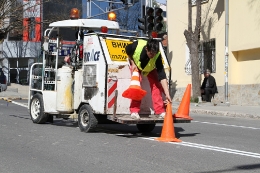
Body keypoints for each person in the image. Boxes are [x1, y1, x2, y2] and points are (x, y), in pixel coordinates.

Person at [125, 38, 171, 119]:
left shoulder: (157, 55)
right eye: (151, 53)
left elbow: (162, 75)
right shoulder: (136, 46)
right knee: (136, 86)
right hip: (137, 66)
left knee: (156, 85)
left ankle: (160, 111)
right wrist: (132, 63)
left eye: (154, 54)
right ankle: (134, 111)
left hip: (149, 68)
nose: (152, 56)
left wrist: (167, 93)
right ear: (146, 48)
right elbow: (127, 50)